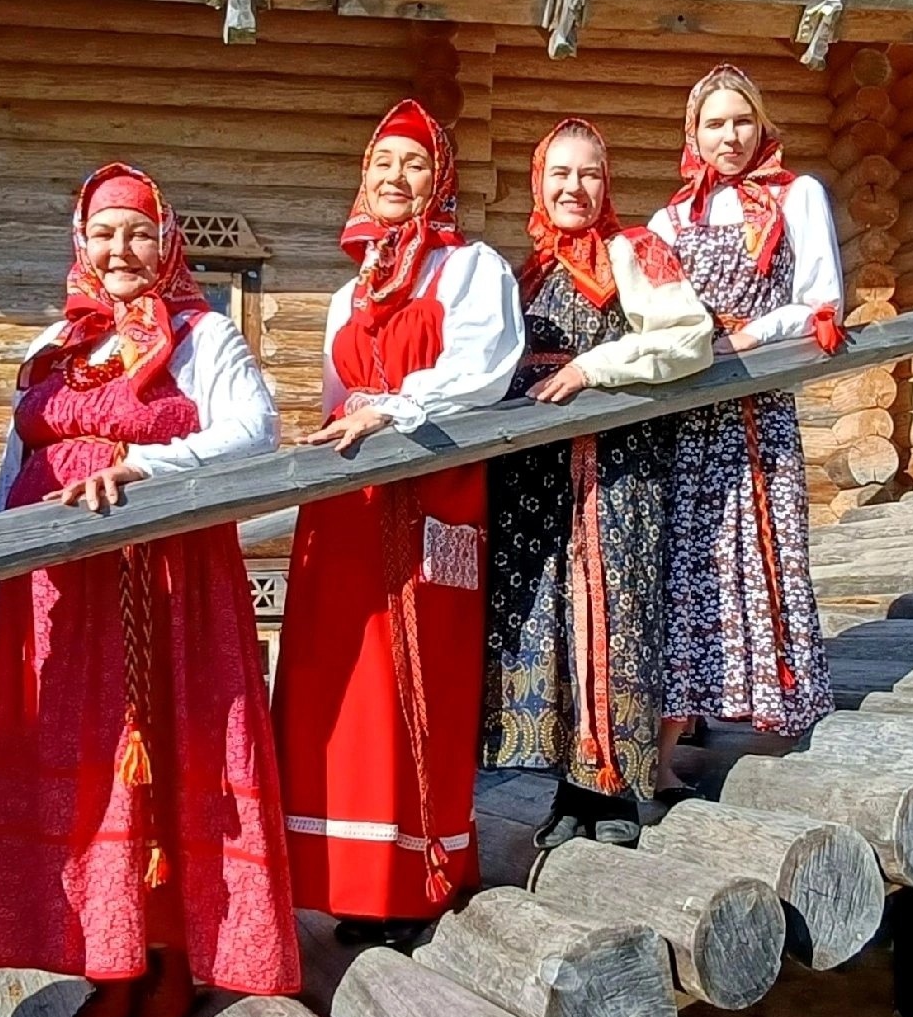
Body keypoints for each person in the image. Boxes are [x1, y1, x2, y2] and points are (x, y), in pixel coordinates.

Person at [0, 163, 299, 1017]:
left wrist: (144, 470)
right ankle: (107, 972)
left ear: (167, 241)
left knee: (163, 757)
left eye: (138, 232)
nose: (120, 249)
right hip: (59, 603)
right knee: (86, 771)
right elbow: (9, 477)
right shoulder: (51, 346)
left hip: (166, 591)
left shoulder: (202, 333)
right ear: (81, 243)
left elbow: (250, 432)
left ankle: (172, 965)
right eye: (104, 233)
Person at [274, 100, 521, 942]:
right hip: (348, 508)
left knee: (423, 678)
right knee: (339, 692)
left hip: (431, 491)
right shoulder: (349, 289)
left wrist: (397, 409)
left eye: (414, 164)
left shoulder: (470, 268)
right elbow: (336, 396)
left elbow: (483, 368)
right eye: (383, 163)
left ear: (439, 180)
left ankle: (418, 876)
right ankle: (350, 880)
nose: (395, 178)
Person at [485, 119, 713, 849]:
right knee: (552, 623)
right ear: (539, 182)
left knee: (613, 614)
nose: (572, 188)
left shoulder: (634, 251)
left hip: (616, 463)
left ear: (605, 182)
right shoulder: (530, 271)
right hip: (537, 476)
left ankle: (614, 794)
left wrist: (592, 368)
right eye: (559, 174)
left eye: (587, 174)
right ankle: (569, 791)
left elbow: (688, 335)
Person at [649, 65, 839, 774]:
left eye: (740, 120)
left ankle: (782, 725)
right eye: (713, 123)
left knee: (765, 547)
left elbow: (823, 301)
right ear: (692, 134)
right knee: (689, 564)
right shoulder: (673, 219)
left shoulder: (796, 196)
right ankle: (670, 745)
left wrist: (749, 336)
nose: (728, 136)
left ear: (761, 124)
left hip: (758, 399)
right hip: (691, 410)